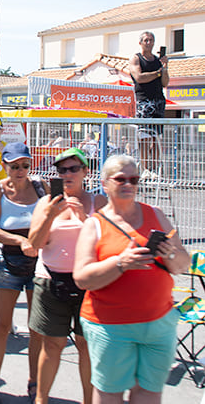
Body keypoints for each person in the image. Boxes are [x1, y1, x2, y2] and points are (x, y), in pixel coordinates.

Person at [74, 155, 188, 404]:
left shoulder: (156, 215)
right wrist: (120, 263)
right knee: (109, 394)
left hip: (158, 325)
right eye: (121, 179)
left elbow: (182, 265)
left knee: (149, 393)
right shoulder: (95, 224)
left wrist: (169, 252)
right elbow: (81, 277)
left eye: (134, 179)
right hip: (110, 326)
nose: (128, 184)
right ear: (105, 183)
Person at [27, 148, 107, 404]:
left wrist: (85, 219)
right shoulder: (45, 203)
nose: (68, 174)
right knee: (52, 345)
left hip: (88, 284)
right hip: (51, 280)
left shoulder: (99, 203)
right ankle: (41, 399)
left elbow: (105, 246)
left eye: (74, 169)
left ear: (86, 172)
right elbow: (34, 245)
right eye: (62, 170)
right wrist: (51, 214)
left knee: (86, 346)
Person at [0, 142, 45, 404]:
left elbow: (59, 211)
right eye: (14, 166)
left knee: (37, 328)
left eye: (25, 165)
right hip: (9, 264)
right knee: (2, 326)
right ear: (4, 166)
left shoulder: (41, 187)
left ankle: (34, 382)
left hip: (39, 266)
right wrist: (19, 241)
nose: (20, 170)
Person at [129, 31, 169, 179]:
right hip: (144, 101)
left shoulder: (158, 62)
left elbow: (165, 82)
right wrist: (157, 73)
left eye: (151, 40)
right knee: (144, 136)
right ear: (140, 43)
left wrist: (164, 68)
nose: (148, 42)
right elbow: (139, 77)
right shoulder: (136, 58)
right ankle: (146, 168)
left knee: (157, 137)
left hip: (158, 100)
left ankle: (155, 168)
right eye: (146, 40)